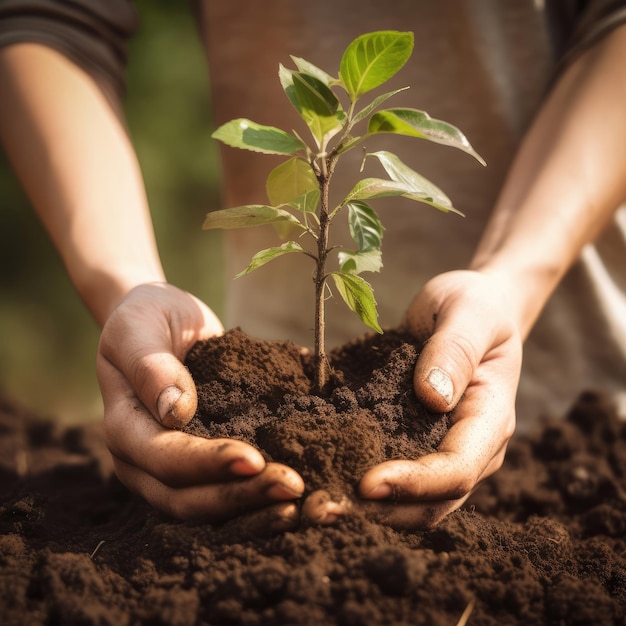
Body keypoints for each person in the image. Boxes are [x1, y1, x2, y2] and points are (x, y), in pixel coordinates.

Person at [0, 0, 625, 528]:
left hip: (586, 433)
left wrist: (511, 281)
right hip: (250, 401)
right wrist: (128, 286)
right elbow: (50, 18)